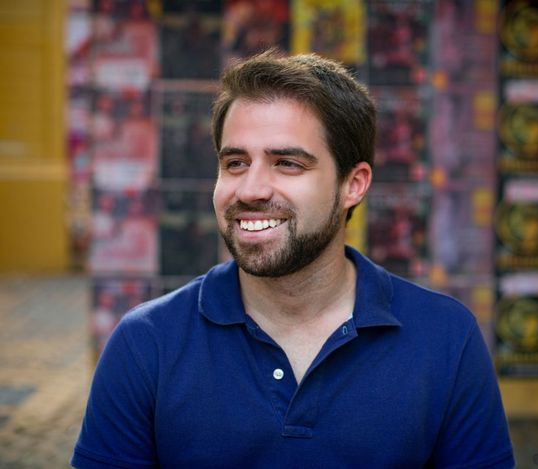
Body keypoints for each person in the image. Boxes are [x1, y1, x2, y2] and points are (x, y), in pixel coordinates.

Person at [72, 50, 515, 468]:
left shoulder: (446, 338)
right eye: (235, 163)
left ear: (353, 184)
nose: (251, 190)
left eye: (287, 163)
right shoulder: (146, 343)